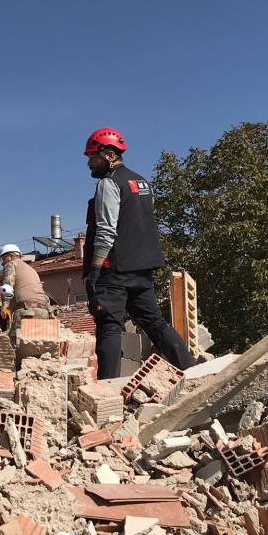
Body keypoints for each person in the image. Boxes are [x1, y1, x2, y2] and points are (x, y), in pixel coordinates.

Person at [81, 127, 195, 378]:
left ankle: (106, 391)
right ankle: (193, 371)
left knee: (109, 326)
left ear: (109, 155)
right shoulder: (141, 182)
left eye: (92, 157)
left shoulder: (108, 183)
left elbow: (106, 230)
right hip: (142, 269)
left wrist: (95, 269)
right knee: (154, 322)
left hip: (115, 270)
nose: (89, 163)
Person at [0, 244, 53, 333]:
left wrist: (4, 307)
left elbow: (7, 286)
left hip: (27, 312)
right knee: (38, 343)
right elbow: (42, 293)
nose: (2, 263)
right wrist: (50, 312)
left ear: (10, 256)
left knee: (18, 343)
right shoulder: (31, 269)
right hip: (43, 312)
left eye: (3, 259)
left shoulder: (10, 265)